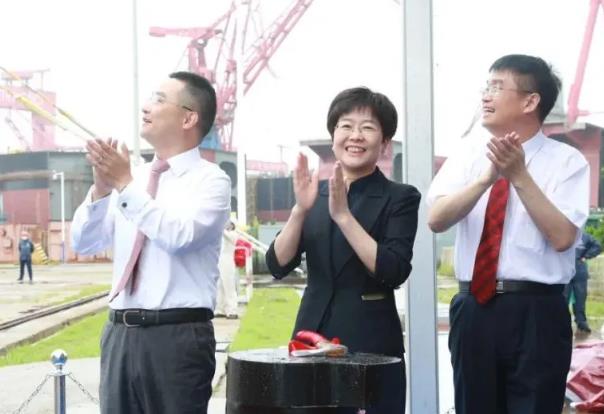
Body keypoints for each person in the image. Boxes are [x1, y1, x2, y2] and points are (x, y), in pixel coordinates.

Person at [427, 54, 590, 414]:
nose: (486, 96)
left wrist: (519, 175)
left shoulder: (567, 162)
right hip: (474, 307)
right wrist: (485, 180)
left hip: (537, 312)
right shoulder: (468, 154)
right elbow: (436, 219)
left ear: (531, 102)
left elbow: (563, 237)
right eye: (487, 86)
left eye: (497, 87)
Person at [71, 71, 230, 414]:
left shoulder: (211, 181)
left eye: (159, 100)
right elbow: (84, 243)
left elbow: (180, 236)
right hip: (119, 333)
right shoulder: (134, 178)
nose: (146, 107)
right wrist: (101, 190)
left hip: (177, 337)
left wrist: (123, 185)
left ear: (189, 118)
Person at [266, 87, 420, 413]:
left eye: (368, 127)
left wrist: (344, 217)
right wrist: (300, 210)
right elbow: (277, 264)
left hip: (371, 345)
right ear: (334, 136)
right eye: (346, 126)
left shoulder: (400, 197)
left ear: (384, 143)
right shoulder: (314, 194)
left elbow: (393, 271)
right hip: (310, 339)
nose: (355, 136)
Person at [565, 231, 601, 333]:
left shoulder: (584, 236)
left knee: (580, 297)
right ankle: (561, 323)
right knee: (563, 298)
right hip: (564, 271)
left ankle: (581, 322)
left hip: (580, 270)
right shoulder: (563, 233)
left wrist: (586, 256)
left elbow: (597, 246)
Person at [216, 220, 239, 319]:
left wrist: (219, 226)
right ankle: (220, 309)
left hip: (228, 262)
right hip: (220, 261)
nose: (227, 225)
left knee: (229, 286)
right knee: (220, 286)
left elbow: (225, 234)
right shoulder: (222, 236)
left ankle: (232, 310)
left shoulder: (233, 234)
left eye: (230, 223)